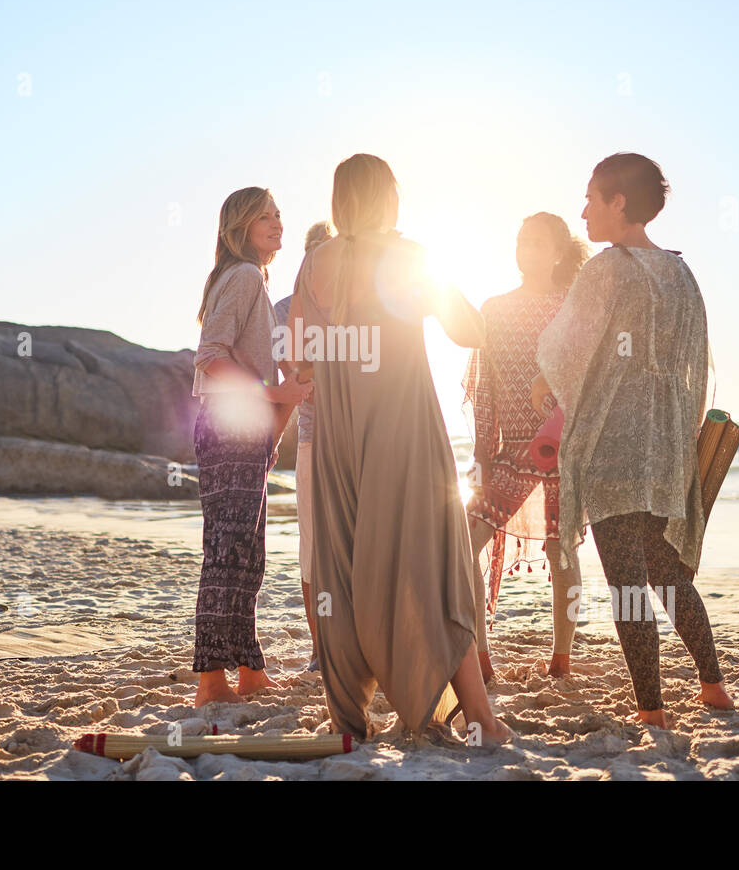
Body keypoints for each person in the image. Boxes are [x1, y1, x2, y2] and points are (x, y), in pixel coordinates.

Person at [289, 153, 512, 745]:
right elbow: (471, 331)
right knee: (435, 564)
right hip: (406, 429)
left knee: (341, 567)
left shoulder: (315, 262)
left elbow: (298, 356)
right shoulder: (409, 256)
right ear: (388, 197)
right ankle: (482, 718)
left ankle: (348, 719)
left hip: (339, 431)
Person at [532, 153, 733, 728]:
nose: (585, 210)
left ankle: (652, 708)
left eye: (592, 198)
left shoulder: (606, 269)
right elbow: (696, 366)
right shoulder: (680, 273)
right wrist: (679, 432)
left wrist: (548, 386)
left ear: (619, 202)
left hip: (612, 449)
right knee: (670, 573)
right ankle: (713, 685)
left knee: (625, 583)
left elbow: (565, 351)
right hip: (667, 446)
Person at [191, 187, 312, 708]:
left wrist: (280, 400)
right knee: (228, 553)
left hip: (243, 431)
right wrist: (272, 393)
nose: (277, 222)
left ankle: (249, 670)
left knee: (246, 553)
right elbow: (210, 357)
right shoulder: (241, 277)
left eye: (279, 213)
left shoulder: (252, 281)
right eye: (265, 215)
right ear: (239, 226)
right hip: (227, 426)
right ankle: (211, 683)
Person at [462, 212, 589, 683]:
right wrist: (481, 451)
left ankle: (562, 655)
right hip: (510, 450)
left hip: (564, 445)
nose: (528, 250)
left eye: (538, 243)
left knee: (562, 552)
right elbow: (484, 388)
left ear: (558, 252)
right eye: (522, 241)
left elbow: (588, 377)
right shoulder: (492, 309)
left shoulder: (575, 306)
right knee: (463, 542)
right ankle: (480, 653)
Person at [272, 221, 333, 672]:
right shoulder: (284, 310)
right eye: (315, 254)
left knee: (360, 546)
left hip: (365, 440)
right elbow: (289, 378)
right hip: (314, 441)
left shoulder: (361, 305)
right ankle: (319, 649)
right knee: (312, 548)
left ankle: (357, 643)